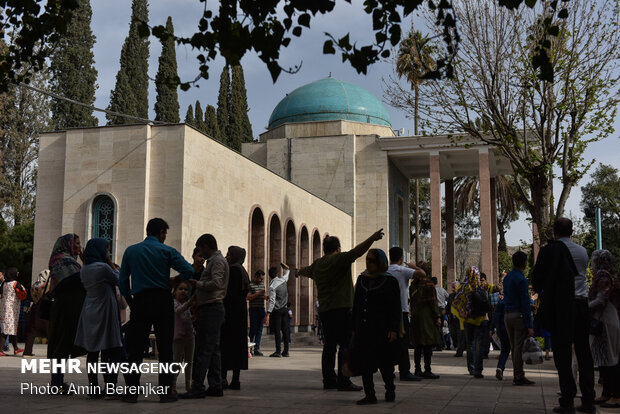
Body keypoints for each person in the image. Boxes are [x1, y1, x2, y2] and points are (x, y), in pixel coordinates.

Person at [296, 229, 384, 391]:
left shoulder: (318, 265)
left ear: (324, 249)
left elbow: (305, 270)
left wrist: (297, 271)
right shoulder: (340, 259)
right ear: (338, 248)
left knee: (329, 346)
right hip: (343, 309)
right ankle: (344, 381)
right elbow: (358, 251)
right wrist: (372, 237)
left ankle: (329, 380)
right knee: (345, 345)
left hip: (325, 311)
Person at [119, 218, 195, 403]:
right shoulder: (167, 251)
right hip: (162, 301)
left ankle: (131, 392)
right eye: (165, 233)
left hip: (141, 301)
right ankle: (165, 392)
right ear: (161, 232)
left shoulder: (131, 251)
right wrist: (175, 281)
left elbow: (122, 281)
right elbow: (188, 270)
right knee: (166, 349)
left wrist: (131, 301)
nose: (165, 237)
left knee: (135, 348)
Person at [532, 217, 596, 413]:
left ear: (554, 231)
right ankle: (588, 400)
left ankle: (567, 399)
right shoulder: (583, 251)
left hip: (561, 307)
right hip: (582, 304)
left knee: (562, 353)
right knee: (584, 353)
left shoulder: (549, 251)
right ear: (572, 230)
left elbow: (538, 281)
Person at [180, 234, 229, 399]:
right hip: (209, 306)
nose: (201, 254)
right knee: (213, 349)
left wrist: (197, 284)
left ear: (207, 246)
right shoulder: (214, 261)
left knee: (204, 348)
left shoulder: (217, 262)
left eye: (201, 250)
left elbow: (216, 283)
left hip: (211, 308)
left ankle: (198, 385)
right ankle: (215, 385)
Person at [74, 238, 124, 398]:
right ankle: (110, 387)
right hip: (105, 311)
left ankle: (93, 387)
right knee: (110, 349)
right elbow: (119, 279)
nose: (108, 253)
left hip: (89, 310)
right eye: (107, 250)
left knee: (93, 351)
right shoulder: (102, 267)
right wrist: (109, 262)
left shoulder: (85, 268)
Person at [352, 249, 401, 405]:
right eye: (367, 260)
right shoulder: (361, 280)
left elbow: (395, 307)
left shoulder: (389, 281)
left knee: (385, 364)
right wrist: (354, 328)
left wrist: (394, 329)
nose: (369, 263)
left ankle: (390, 389)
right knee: (365, 364)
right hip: (364, 329)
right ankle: (370, 395)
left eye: (372, 260)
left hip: (383, 329)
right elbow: (357, 306)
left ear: (380, 262)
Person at [46, 234, 86, 392]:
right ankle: (56, 383)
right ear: (67, 244)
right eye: (76, 243)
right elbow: (73, 281)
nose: (79, 246)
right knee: (61, 345)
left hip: (68, 307)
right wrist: (87, 264)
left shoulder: (66, 260)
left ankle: (57, 382)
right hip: (65, 309)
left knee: (61, 346)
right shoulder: (63, 261)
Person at [451, 266, 499, 378]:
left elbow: (456, 302)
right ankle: (478, 369)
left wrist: (462, 314)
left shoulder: (463, 288)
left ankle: (471, 368)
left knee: (469, 344)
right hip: (481, 319)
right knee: (479, 344)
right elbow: (495, 288)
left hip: (468, 320)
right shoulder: (481, 285)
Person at [387, 246, 424, 381]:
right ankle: (404, 371)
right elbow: (423, 274)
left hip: (387, 311)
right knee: (403, 342)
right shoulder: (403, 270)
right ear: (401, 258)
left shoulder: (385, 270)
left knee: (389, 341)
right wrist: (412, 265)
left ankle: (389, 370)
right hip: (401, 311)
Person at [588, 250, 620, 408]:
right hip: (607, 318)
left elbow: (601, 299)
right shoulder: (609, 274)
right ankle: (607, 393)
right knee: (605, 358)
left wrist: (584, 307)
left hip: (605, 320)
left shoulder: (603, 276)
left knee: (610, 358)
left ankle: (616, 395)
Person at [503, 251, 535, 386]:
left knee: (513, 346)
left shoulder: (507, 277)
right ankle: (518, 375)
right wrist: (530, 325)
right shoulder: (522, 279)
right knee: (518, 346)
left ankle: (518, 374)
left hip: (507, 315)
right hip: (518, 315)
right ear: (524, 262)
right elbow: (524, 302)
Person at [221, 246, 250, 389]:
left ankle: (223, 379)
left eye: (229, 254)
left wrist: (224, 313)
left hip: (231, 313)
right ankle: (235, 380)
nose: (227, 257)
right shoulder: (242, 271)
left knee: (226, 345)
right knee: (237, 346)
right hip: (240, 312)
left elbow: (229, 295)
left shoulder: (233, 270)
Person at [410, 271, 441, 379]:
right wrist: (437, 316)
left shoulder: (413, 285)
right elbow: (433, 302)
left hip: (415, 316)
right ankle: (427, 369)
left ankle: (417, 369)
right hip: (426, 317)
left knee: (418, 345)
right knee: (428, 344)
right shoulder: (428, 284)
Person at [172, 281, 195, 395]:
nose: (183, 291)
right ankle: (172, 385)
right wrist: (189, 303)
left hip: (190, 336)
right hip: (178, 337)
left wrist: (193, 317)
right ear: (174, 292)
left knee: (189, 362)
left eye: (186, 290)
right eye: (180, 289)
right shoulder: (174, 303)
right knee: (176, 362)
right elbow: (177, 311)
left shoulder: (186, 304)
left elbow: (187, 318)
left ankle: (188, 385)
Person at [265, 263, 291, 357]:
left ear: (269, 275)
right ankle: (286, 351)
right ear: (276, 274)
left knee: (277, 331)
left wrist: (268, 314)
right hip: (285, 309)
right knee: (285, 330)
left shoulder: (272, 287)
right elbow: (288, 271)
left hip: (277, 311)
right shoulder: (283, 280)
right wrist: (286, 268)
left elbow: (272, 301)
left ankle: (278, 351)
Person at [23, 269, 50, 357]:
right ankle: (52, 352)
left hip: (35, 308)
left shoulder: (34, 286)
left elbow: (29, 298)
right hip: (45, 308)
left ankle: (27, 352)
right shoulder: (49, 285)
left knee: (31, 332)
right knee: (50, 331)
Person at [0, 268, 25, 356]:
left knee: (11, 328)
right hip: (11, 309)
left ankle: (16, 349)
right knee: (6, 330)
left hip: (4, 308)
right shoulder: (15, 284)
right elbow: (22, 295)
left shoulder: (4, 283)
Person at [247, 270, 266, 356]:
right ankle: (249, 348)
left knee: (259, 330)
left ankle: (257, 348)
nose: (261, 281)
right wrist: (259, 293)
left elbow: (262, 296)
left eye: (262, 279)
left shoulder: (262, 285)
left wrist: (267, 297)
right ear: (256, 277)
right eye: (260, 279)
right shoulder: (250, 285)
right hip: (254, 309)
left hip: (261, 309)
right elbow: (248, 297)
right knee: (253, 330)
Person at [492, 295, 510, 380]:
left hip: (502, 329)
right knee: (517, 350)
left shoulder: (501, 301)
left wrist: (492, 328)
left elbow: (496, 316)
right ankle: (518, 373)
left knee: (505, 350)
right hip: (513, 328)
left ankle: (500, 367)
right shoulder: (517, 299)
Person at [446, 282, 465, 357]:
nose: (453, 289)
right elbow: (448, 306)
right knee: (453, 333)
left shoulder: (462, 296)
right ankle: (457, 346)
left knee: (460, 335)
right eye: (452, 287)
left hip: (460, 319)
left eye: (454, 287)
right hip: (452, 319)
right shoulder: (450, 296)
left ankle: (459, 351)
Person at [432, 277, 449, 351]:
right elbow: (448, 297)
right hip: (442, 310)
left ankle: (439, 345)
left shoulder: (431, 290)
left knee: (436, 328)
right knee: (440, 327)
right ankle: (442, 344)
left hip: (436, 310)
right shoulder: (442, 290)